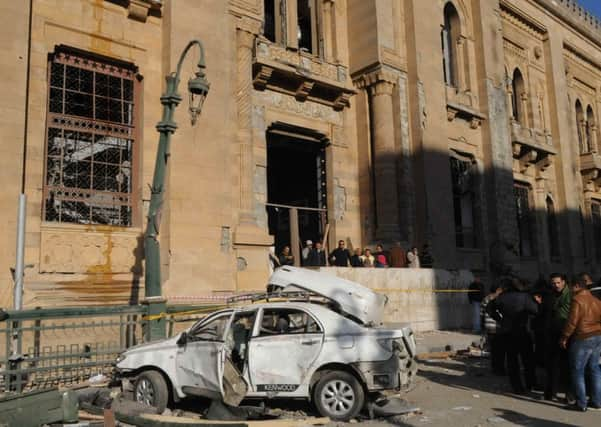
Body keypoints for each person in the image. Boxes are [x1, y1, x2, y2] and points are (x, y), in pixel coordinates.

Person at [487, 277, 540, 394]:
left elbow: (489, 308)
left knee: (512, 361)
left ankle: (517, 387)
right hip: (522, 331)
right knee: (528, 360)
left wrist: (500, 319)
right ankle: (531, 384)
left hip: (507, 332)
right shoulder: (525, 297)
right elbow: (535, 310)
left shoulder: (501, 297)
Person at [559, 274, 601, 412]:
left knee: (578, 371)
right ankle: (597, 401)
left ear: (576, 286)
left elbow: (572, 322)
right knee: (594, 369)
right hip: (597, 335)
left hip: (583, 336)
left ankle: (581, 403)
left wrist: (564, 337)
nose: (570, 289)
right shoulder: (596, 300)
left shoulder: (577, 299)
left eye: (571, 286)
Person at [543, 273, 572, 402]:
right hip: (553, 332)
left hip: (565, 332)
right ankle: (551, 392)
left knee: (567, 365)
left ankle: (569, 394)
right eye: (553, 283)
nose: (556, 285)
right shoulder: (551, 294)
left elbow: (563, 313)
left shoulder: (569, 295)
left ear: (564, 282)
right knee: (553, 364)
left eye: (558, 282)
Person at [481, 282, 506, 375]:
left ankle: (495, 368)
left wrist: (483, 326)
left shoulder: (486, 298)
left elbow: (481, 314)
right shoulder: (499, 299)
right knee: (501, 350)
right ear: (498, 290)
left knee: (494, 349)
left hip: (489, 327)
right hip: (499, 327)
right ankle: (500, 369)